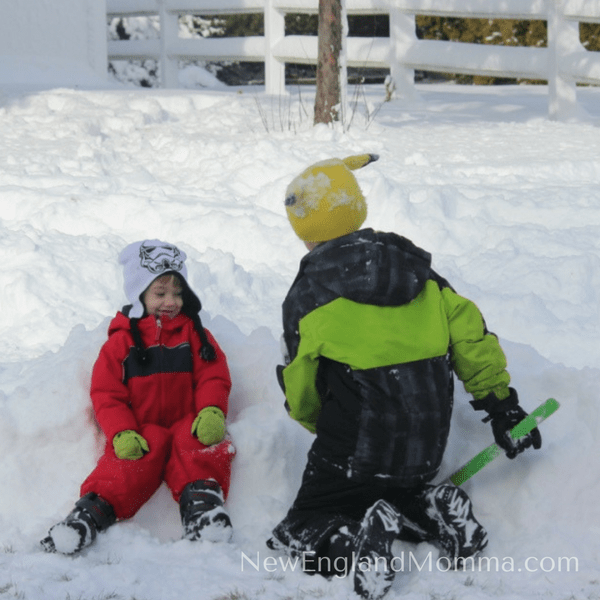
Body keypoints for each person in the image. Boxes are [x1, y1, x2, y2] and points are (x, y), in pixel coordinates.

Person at [267, 155, 542, 600]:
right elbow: (471, 337)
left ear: (305, 233)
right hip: (424, 447)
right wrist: (501, 406)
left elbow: (300, 383)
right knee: (392, 491)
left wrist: (320, 428)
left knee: (304, 522)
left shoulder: (308, 293)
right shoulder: (418, 272)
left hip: (356, 448)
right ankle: (431, 509)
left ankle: (354, 546)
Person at [42, 239, 235, 555]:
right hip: (140, 428)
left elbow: (213, 374)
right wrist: (121, 431)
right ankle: (88, 516)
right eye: (160, 293)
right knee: (127, 463)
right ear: (139, 293)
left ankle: (204, 511)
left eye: (177, 292)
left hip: (188, 420)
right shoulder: (120, 344)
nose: (170, 301)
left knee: (199, 445)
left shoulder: (195, 334)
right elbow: (107, 394)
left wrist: (212, 409)